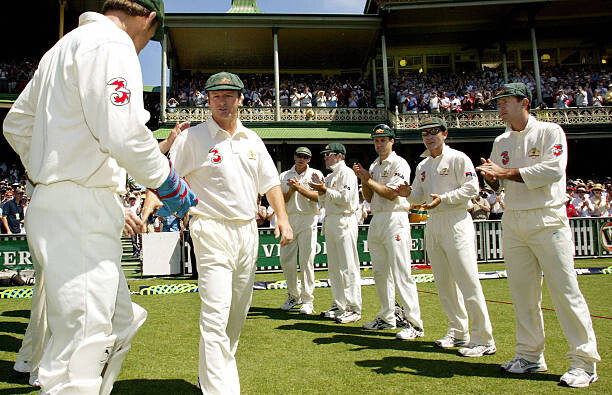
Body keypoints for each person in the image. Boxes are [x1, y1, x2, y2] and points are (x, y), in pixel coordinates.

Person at [2, 1, 198, 393]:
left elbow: (16, 124)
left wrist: (49, 168)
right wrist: (168, 183)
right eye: (150, 39)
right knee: (80, 352)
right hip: (79, 209)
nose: (144, 47)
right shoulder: (113, 43)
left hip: (60, 203)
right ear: (149, 18)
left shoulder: (61, 49)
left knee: (119, 321)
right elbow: (123, 133)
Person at [168, 71, 293, 394]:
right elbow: (167, 175)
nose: (222, 102)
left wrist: (283, 218)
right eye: (215, 97)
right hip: (210, 229)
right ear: (207, 101)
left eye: (228, 96)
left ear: (240, 99)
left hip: (246, 232)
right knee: (216, 310)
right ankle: (219, 388)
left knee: (237, 314)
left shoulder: (252, 140)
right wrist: (153, 206)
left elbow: (269, 183)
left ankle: (211, 374)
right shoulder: (192, 138)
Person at [476, 83, 600, 387]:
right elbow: (499, 187)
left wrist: (505, 173)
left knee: (565, 290)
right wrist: (493, 180)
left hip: (547, 218)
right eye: (498, 103)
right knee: (522, 293)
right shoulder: (501, 140)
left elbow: (553, 170)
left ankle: (584, 363)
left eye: (506, 102)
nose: (501, 107)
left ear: (525, 102)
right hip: (514, 220)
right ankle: (530, 356)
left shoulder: (550, 131)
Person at [398, 117, 495, 356]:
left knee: (468, 281)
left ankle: (484, 338)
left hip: (456, 218)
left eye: (433, 132)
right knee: (443, 283)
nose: (429, 137)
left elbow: (472, 189)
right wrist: (407, 194)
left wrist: (445, 199)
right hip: (434, 222)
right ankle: (458, 331)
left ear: (444, 133)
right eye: (424, 133)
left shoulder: (458, 158)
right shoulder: (422, 166)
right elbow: (418, 197)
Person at [353, 124, 424, 339]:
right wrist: (365, 178)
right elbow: (369, 197)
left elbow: (391, 194)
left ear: (392, 141)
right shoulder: (375, 165)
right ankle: (387, 316)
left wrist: (369, 178)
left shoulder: (399, 163)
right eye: (376, 140)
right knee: (380, 272)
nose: (379, 144)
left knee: (402, 272)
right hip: (378, 218)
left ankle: (414, 323)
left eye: (383, 140)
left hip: (395, 217)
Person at [309, 143, 362, 324]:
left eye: (328, 154)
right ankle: (339, 304)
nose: (325, 157)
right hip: (331, 220)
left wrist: (325, 190)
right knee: (334, 267)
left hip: (344, 220)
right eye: (324, 154)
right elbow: (324, 202)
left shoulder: (347, 173)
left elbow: (345, 199)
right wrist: (321, 189)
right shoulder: (331, 176)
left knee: (348, 266)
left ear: (339, 156)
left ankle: (354, 307)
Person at [278, 147, 324, 315]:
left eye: (305, 157)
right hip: (289, 220)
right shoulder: (284, 176)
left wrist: (300, 189)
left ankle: (307, 299)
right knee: (286, 261)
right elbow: (281, 200)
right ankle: (293, 295)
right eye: (299, 156)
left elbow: (320, 198)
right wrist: (291, 189)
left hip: (308, 219)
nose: (301, 159)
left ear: (309, 160)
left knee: (307, 261)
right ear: (294, 156)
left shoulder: (316, 174)